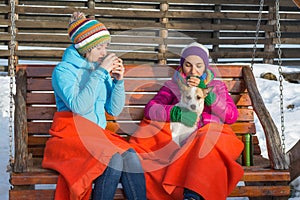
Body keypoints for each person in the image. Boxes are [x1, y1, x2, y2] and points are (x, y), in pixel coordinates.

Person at [42, 12, 146, 200]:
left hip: (96, 136)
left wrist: (118, 82)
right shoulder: (63, 71)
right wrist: (100, 72)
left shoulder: (98, 69)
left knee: (130, 156)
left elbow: (113, 110)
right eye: (100, 47)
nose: (104, 52)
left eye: (106, 46)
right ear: (86, 48)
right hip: (70, 135)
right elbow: (79, 107)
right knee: (111, 158)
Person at [129, 42, 244, 200]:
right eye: (188, 65)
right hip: (182, 138)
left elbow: (231, 116)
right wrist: (175, 112)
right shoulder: (173, 86)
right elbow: (150, 109)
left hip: (209, 136)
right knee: (150, 129)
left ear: (206, 67)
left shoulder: (216, 86)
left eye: (199, 65)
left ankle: (194, 194)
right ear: (182, 66)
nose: (193, 71)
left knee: (209, 140)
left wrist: (208, 95)